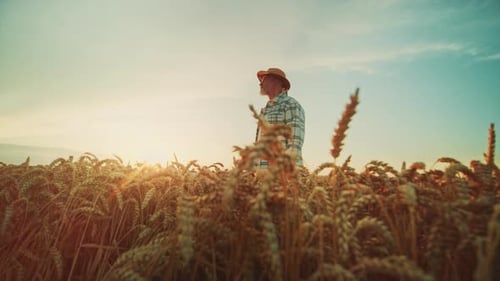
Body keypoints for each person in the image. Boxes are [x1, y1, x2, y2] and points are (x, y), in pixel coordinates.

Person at [255, 67, 305, 168]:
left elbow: (295, 141)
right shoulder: (265, 110)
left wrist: (289, 173)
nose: (260, 84)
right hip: (263, 173)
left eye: (264, 80)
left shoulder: (290, 104)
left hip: (281, 173)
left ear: (275, 81)